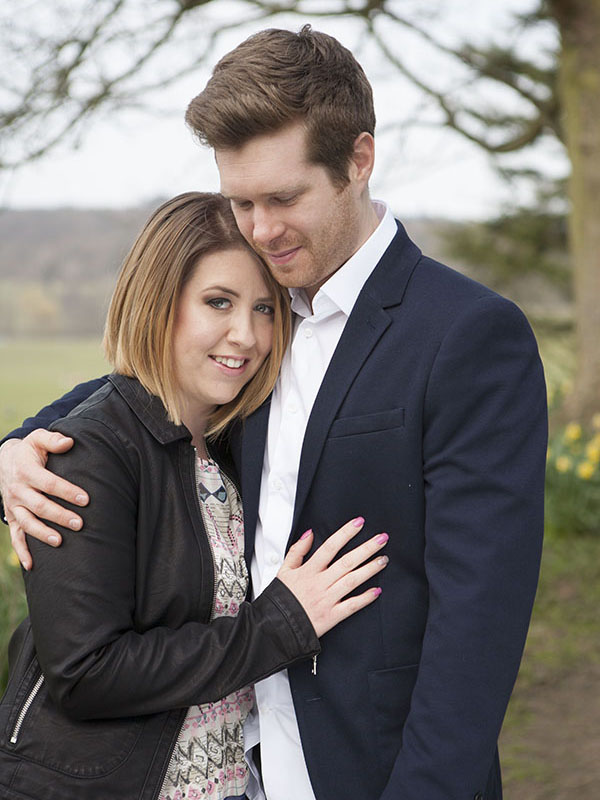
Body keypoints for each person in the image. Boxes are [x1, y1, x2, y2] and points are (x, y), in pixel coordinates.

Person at [0, 25, 547, 800]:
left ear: (358, 160)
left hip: (369, 772)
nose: (259, 229)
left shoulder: (467, 334)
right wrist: (16, 448)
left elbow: (476, 630)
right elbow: (138, 393)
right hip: (238, 771)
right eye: (241, 201)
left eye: (283, 198)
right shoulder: (262, 328)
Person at [0, 191, 389, 800]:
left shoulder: (238, 442)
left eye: (265, 308)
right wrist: (282, 624)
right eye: (218, 302)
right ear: (158, 302)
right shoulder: (87, 455)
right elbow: (86, 674)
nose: (247, 335)